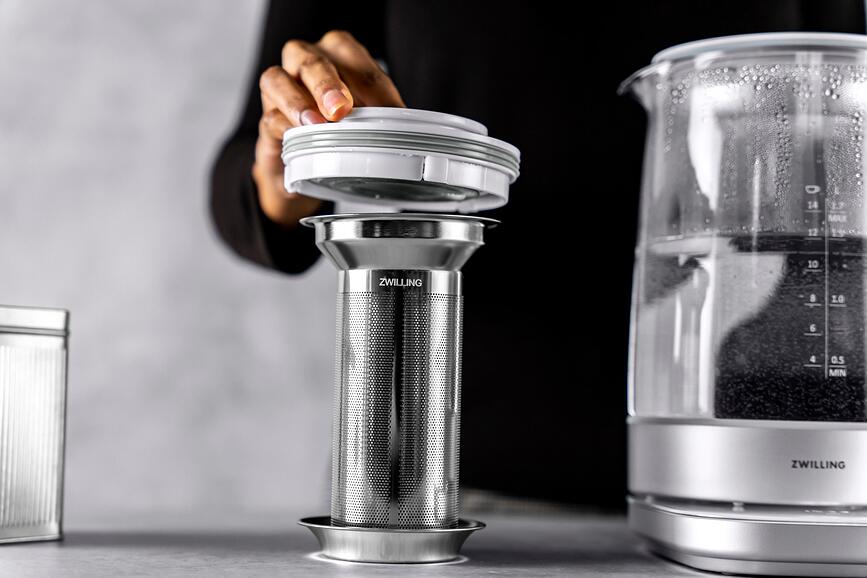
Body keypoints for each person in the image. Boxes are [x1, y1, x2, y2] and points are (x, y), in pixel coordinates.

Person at [210, 0, 866, 509]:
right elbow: (242, 177)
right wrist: (296, 153)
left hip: (749, 480)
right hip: (448, 481)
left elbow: (843, 92)